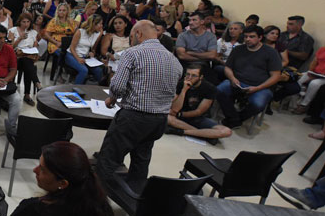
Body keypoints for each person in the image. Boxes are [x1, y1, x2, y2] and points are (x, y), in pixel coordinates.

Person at [96, 20, 182, 183]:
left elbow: (118, 86)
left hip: (134, 118)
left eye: (131, 37)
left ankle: (97, 194)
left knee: (109, 158)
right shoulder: (174, 60)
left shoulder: (133, 53)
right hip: (159, 120)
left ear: (138, 34)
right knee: (141, 160)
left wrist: (112, 98)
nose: (130, 41)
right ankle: (134, 192)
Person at [216, 25, 282, 129]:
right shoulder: (238, 49)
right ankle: (234, 119)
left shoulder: (271, 52)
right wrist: (232, 78)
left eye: (252, 37)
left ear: (260, 37)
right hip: (237, 82)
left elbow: (276, 76)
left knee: (258, 104)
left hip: (260, 86)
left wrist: (258, 88)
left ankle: (236, 118)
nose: (247, 39)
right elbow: (228, 68)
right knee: (219, 90)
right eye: (246, 36)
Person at [165, 63, 232, 144]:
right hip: (179, 117)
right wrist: (184, 90)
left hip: (198, 118)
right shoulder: (181, 84)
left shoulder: (210, 88)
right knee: (167, 118)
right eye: (188, 74)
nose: (189, 78)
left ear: (201, 77)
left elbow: (199, 112)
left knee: (226, 131)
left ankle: (182, 132)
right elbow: (175, 109)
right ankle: (205, 135)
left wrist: (179, 114)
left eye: (194, 75)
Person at [8, 12, 41, 105]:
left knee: (27, 62)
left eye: (28, 22)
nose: (26, 24)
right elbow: (10, 47)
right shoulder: (13, 31)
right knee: (27, 64)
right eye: (24, 22)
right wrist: (19, 38)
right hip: (15, 58)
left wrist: (34, 52)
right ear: (20, 21)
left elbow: (35, 48)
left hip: (27, 57)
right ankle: (36, 84)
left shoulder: (33, 33)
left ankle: (27, 94)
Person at [66, 14, 104, 84]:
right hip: (72, 55)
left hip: (85, 57)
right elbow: (72, 48)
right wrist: (78, 59)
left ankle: (99, 88)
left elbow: (93, 48)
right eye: (100, 24)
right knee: (84, 70)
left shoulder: (97, 34)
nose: (101, 26)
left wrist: (92, 53)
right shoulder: (80, 32)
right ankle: (76, 88)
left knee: (99, 71)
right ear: (93, 24)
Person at [293, 46, 325, 114]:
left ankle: (304, 105)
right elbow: (314, 62)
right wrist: (310, 72)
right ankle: (293, 102)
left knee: (314, 84)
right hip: (315, 73)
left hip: (323, 77)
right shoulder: (323, 49)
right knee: (300, 77)